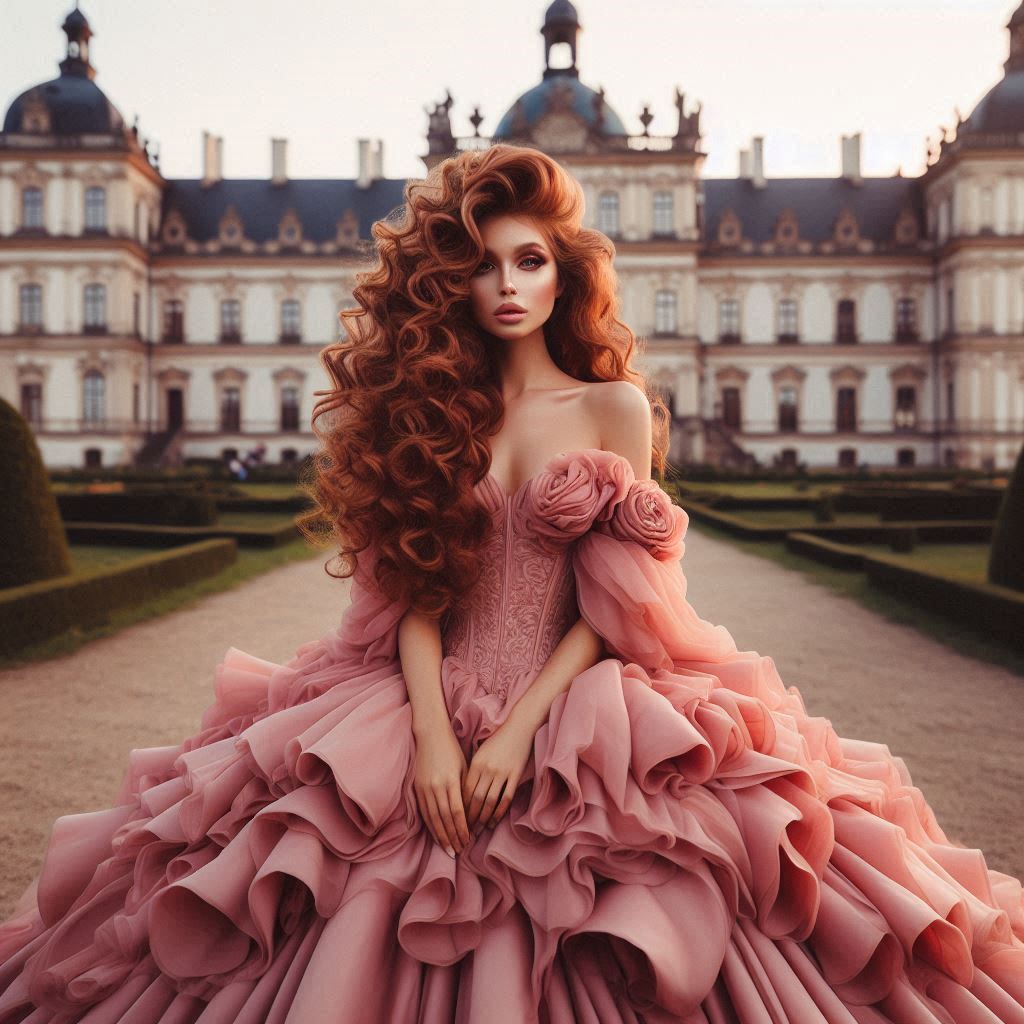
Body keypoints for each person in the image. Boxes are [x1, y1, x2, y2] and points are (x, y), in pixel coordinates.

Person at [0, 144, 1022, 1023]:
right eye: (482, 264)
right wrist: (439, 735)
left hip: (581, 711)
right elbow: (413, 593)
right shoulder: (432, 414)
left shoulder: (615, 406)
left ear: (563, 273)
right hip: (416, 703)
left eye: (529, 260)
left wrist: (519, 726)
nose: (507, 284)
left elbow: (615, 607)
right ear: (449, 282)